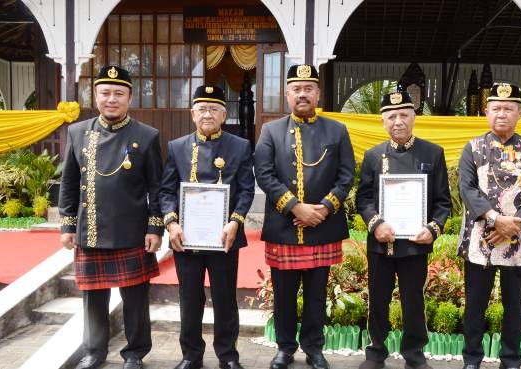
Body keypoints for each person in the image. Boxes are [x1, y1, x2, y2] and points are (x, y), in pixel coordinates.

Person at [59, 65, 164, 369]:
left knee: (135, 300)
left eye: (119, 93)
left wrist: (154, 228)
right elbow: (68, 182)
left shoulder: (146, 136)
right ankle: (94, 351)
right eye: (105, 92)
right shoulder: (78, 132)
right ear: (95, 95)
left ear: (129, 98)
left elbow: (156, 186)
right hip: (90, 229)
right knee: (93, 298)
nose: (111, 99)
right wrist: (67, 224)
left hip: (131, 231)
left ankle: (135, 353)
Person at [254, 64, 356, 369]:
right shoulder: (270, 131)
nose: (302, 94)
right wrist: (295, 207)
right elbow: (264, 173)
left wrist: (324, 208)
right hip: (284, 227)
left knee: (315, 295)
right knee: (283, 295)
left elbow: (346, 174)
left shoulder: (336, 130)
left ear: (317, 93)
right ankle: (285, 348)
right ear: (287, 94)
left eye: (308, 88)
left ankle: (314, 348)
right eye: (296, 89)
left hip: (323, 228)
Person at [159, 85, 255, 369]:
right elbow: (166, 191)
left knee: (225, 298)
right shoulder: (177, 147)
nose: (207, 114)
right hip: (185, 239)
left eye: (214, 109)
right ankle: (191, 355)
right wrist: (171, 222)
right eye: (202, 108)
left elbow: (246, 191)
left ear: (224, 115)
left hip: (224, 237)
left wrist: (235, 222)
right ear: (192, 113)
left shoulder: (240, 146)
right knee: (189, 298)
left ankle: (228, 356)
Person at [356, 90, 451, 369]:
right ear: (383, 121)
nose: (398, 121)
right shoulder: (373, 156)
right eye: (391, 116)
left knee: (413, 302)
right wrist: (375, 224)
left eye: (403, 115)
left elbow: (443, 201)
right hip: (380, 244)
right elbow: (363, 198)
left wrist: (433, 229)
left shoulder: (433, 153)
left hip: (414, 244)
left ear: (414, 117)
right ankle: (375, 353)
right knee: (378, 301)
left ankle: (414, 354)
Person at [458, 83, 521, 369]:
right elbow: (467, 188)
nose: (502, 114)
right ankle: (472, 358)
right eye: (496, 108)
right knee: (475, 304)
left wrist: (512, 226)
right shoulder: (473, 148)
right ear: (486, 112)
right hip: (481, 238)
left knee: (514, 306)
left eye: (509, 108)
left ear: (520, 113)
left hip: (517, 240)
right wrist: (496, 220)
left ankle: (510, 359)